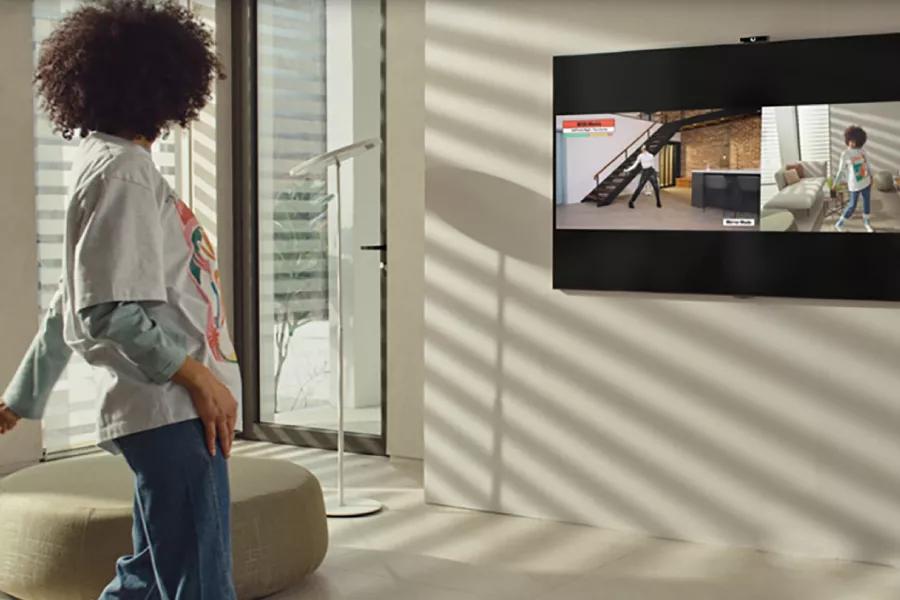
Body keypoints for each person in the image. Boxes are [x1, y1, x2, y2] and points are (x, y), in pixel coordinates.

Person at [0, 2, 241, 598]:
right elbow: (104, 310)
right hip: (171, 410)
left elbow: (69, 301)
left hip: (156, 412)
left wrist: (18, 399)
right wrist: (199, 379)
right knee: (199, 581)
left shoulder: (101, 165)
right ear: (168, 84)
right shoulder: (125, 172)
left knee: (146, 578)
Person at [833, 125, 875, 233]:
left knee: (867, 203)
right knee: (852, 205)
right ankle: (839, 223)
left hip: (866, 181)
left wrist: (872, 176)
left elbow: (868, 165)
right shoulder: (845, 154)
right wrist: (835, 184)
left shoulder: (862, 151)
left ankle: (867, 223)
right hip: (854, 185)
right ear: (847, 139)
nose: (853, 143)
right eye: (851, 141)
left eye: (856, 141)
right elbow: (840, 171)